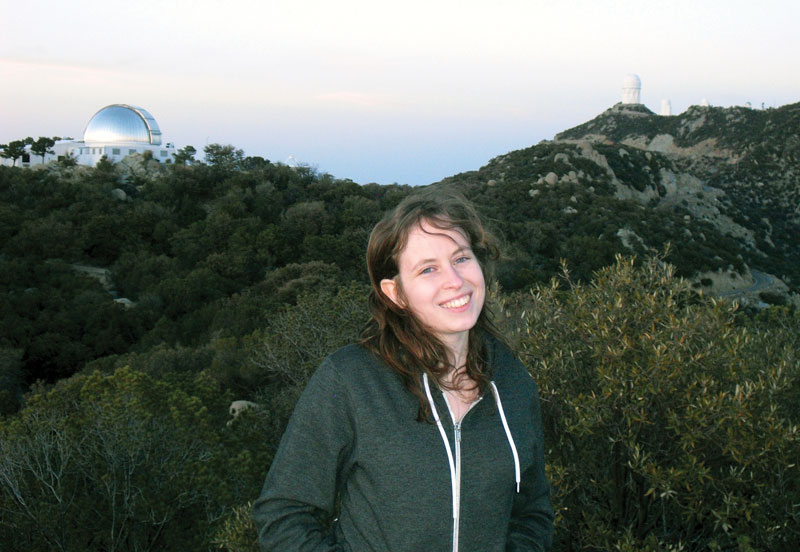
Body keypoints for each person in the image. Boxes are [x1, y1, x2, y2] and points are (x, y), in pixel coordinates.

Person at [253, 189, 553, 551]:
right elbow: (284, 513)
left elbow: (532, 512)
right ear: (396, 293)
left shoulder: (513, 382)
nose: (454, 281)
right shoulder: (351, 380)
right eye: (428, 269)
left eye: (461, 258)